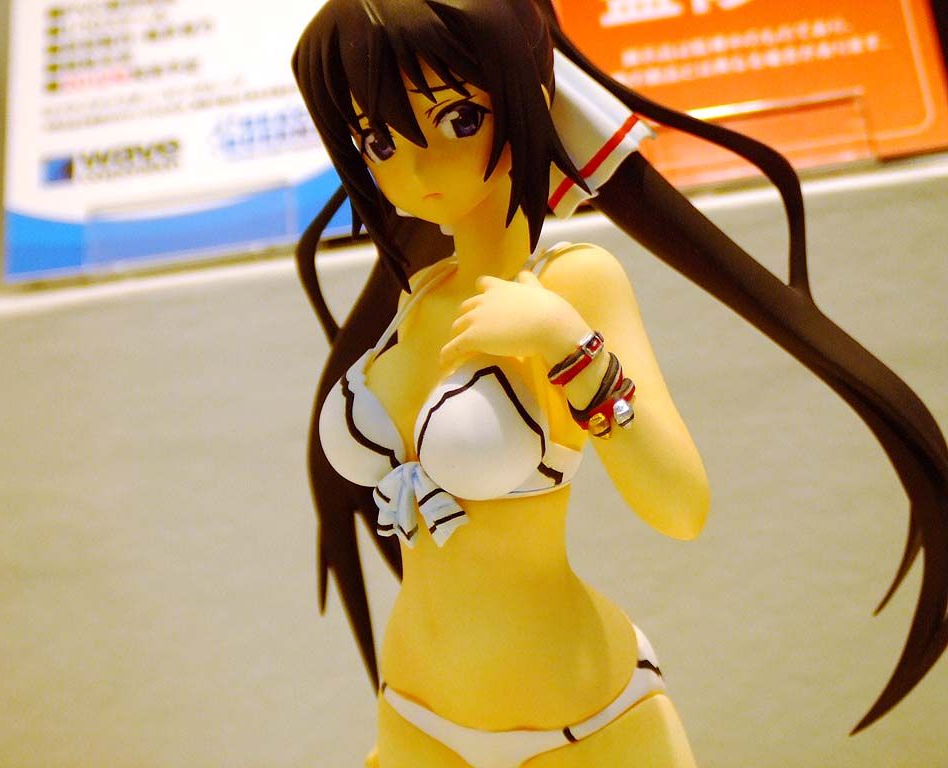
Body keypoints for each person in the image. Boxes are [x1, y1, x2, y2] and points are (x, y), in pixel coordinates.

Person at [290, 1, 948, 765]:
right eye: (378, 139)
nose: (416, 166)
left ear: (533, 99)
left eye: (459, 120)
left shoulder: (573, 285)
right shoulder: (417, 296)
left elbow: (681, 507)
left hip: (583, 717)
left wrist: (568, 349)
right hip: (413, 710)